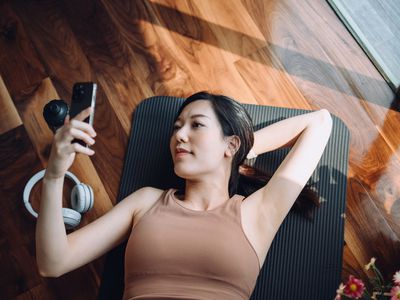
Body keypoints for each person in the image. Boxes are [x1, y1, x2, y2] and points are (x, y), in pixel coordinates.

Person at [36, 92, 332, 299]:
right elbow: (53, 262)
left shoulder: (256, 213)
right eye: (177, 127)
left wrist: (238, 151)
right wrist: (54, 174)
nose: (179, 134)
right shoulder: (146, 202)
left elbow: (319, 123)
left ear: (230, 143)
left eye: (197, 125)